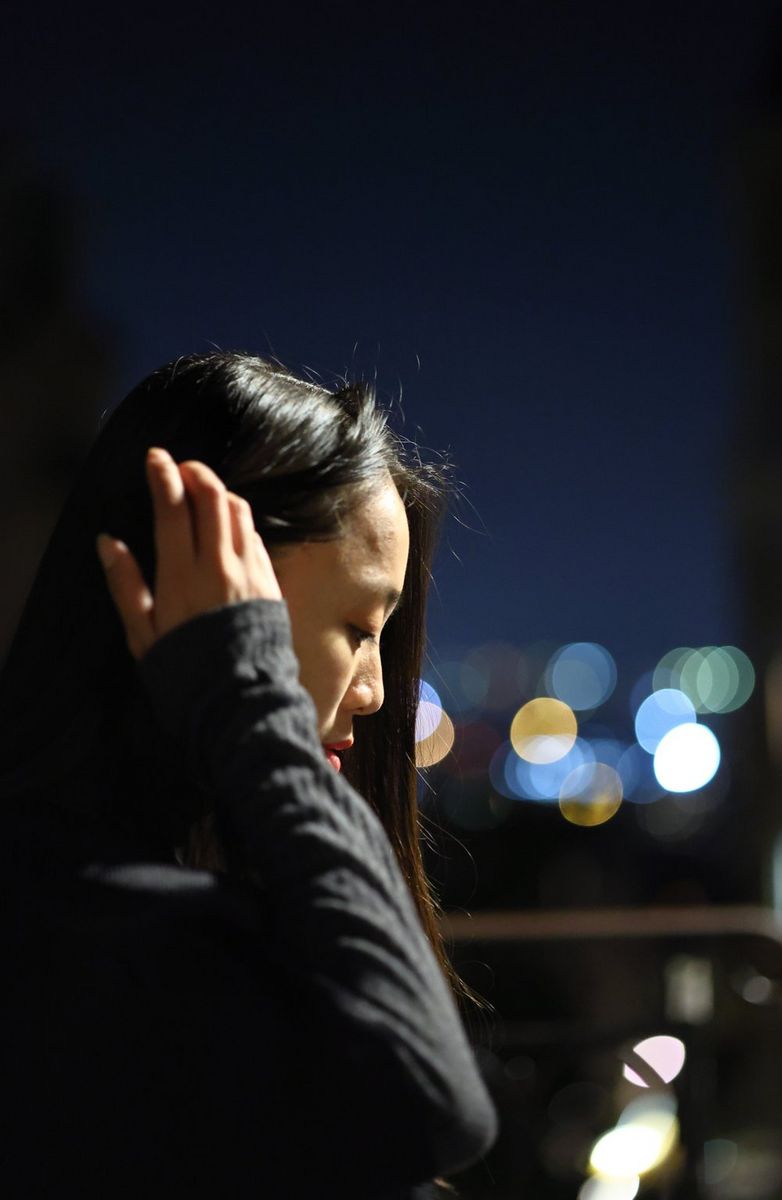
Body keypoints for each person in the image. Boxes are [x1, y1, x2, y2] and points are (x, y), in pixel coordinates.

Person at [0, 352, 497, 1198]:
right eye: (357, 625)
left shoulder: (195, 879)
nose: (376, 691)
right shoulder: (98, 921)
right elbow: (433, 1114)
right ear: (213, 592)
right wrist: (254, 708)